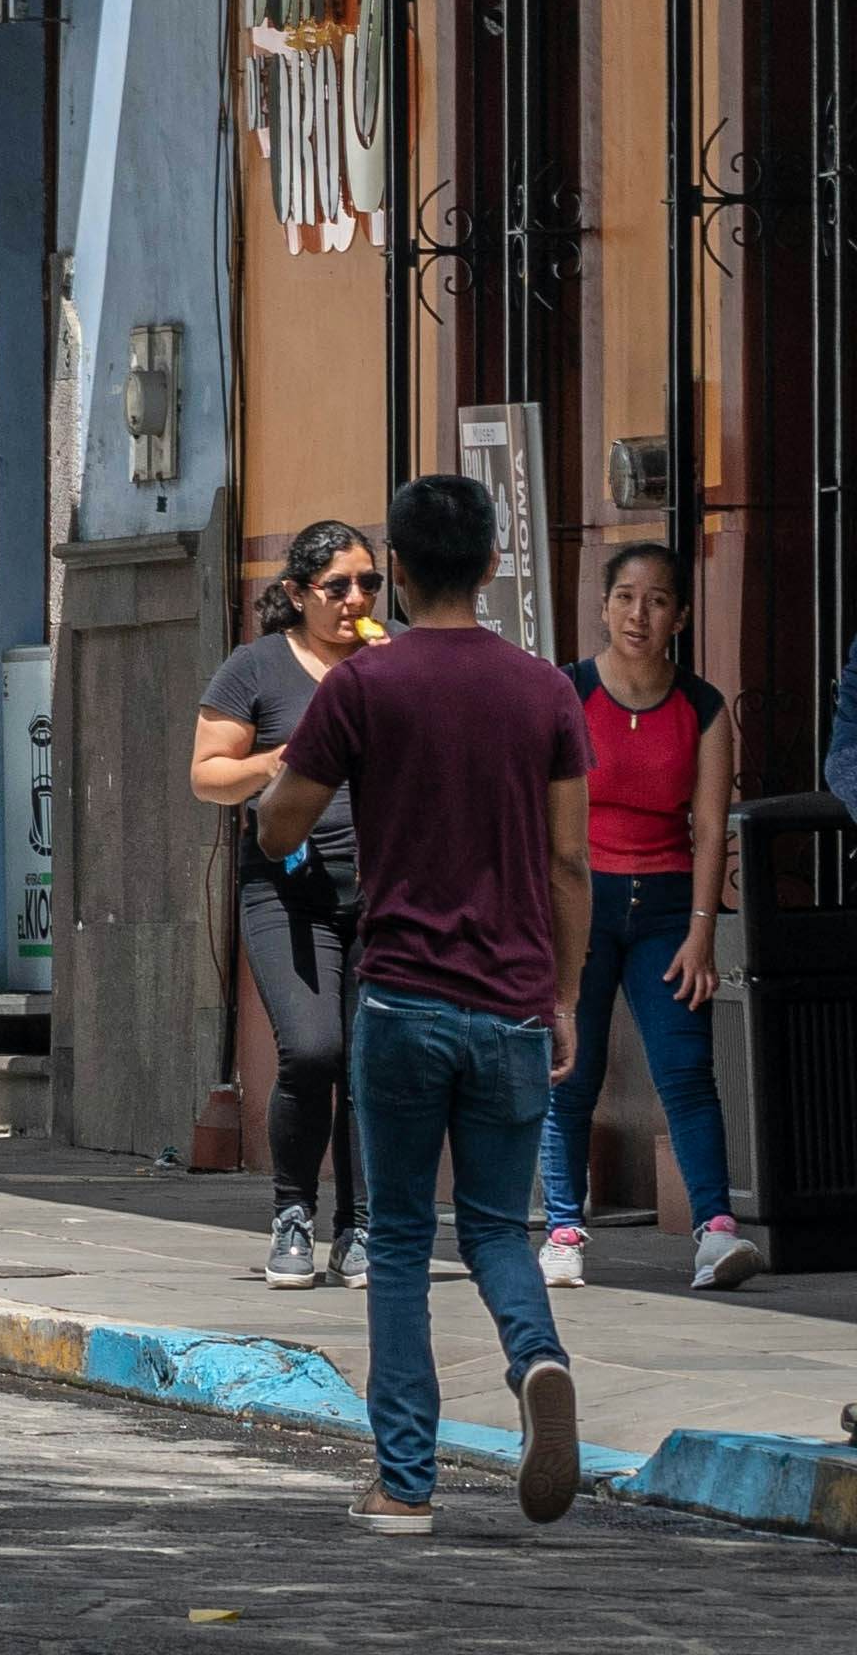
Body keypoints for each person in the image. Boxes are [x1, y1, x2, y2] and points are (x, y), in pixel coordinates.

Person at [253, 468, 587, 1532]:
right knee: (496, 1227)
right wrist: (564, 995)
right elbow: (571, 862)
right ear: (490, 563)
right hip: (514, 1002)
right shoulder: (546, 690)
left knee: (398, 1237)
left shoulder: (363, 686)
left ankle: (404, 1483)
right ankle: (537, 1357)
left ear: (394, 568)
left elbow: (280, 822)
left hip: (401, 996)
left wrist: (292, 791)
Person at [550, 536, 756, 1293]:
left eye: (658, 601)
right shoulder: (568, 692)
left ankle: (716, 1231)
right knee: (570, 1070)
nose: (639, 614)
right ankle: (564, 1230)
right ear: (603, 608)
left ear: (681, 616)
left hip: (669, 907)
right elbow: (543, 817)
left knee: (686, 1070)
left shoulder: (703, 708)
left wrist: (703, 930)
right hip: (582, 902)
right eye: (626, 598)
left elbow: (710, 828)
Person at [198, 516, 384, 1289]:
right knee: (312, 1051)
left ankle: (364, 1224)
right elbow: (208, 775)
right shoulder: (257, 667)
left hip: (384, 891)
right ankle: (293, 1213)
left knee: (372, 1060)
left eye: (369, 583)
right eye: (337, 586)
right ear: (298, 593)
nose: (355, 600)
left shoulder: (391, 660)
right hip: (288, 889)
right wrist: (280, 759)